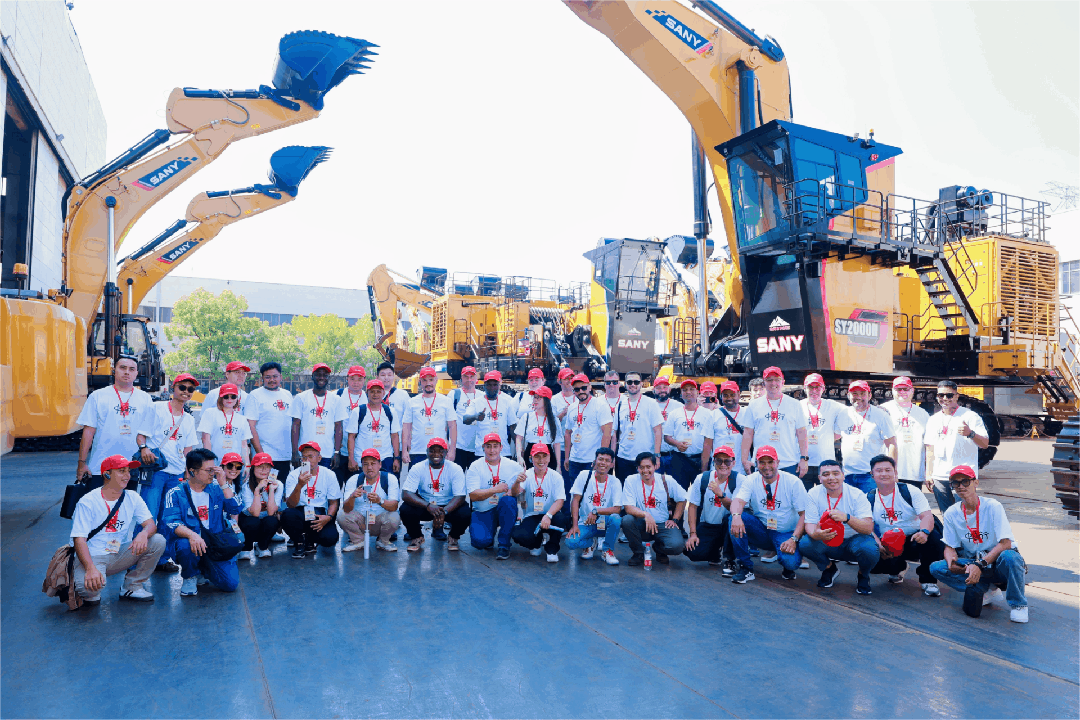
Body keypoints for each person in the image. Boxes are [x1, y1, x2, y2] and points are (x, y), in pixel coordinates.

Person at [930, 465, 1029, 623]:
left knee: (1011, 557)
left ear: (976, 483)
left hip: (997, 560)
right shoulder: (951, 513)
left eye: (965, 481)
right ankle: (987, 589)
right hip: (974, 561)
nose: (961, 486)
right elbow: (949, 546)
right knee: (937, 568)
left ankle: (1019, 605)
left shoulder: (992, 506)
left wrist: (980, 565)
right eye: (956, 483)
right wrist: (951, 562)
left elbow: (1005, 543)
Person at [70, 455, 166, 606]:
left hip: (117, 553)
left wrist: (143, 534)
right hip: (92, 556)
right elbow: (79, 540)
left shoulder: (132, 497)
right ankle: (80, 578)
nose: (127, 476)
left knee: (158, 541)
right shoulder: (88, 501)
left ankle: (132, 586)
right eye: (121, 471)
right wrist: (90, 568)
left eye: (128, 471)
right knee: (91, 591)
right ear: (107, 474)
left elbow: (151, 525)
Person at [136, 372, 197, 572]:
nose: (186, 392)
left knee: (168, 518)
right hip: (157, 471)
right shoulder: (157, 408)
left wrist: (188, 473)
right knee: (148, 515)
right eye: (182, 387)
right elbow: (141, 436)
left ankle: (162, 559)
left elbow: (188, 449)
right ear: (173, 388)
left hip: (176, 474)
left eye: (190, 389)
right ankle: (135, 560)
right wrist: (144, 448)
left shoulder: (189, 419)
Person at [161, 448, 242, 596]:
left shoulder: (218, 487)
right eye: (209, 470)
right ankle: (190, 576)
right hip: (190, 542)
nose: (213, 474)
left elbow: (235, 508)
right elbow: (172, 522)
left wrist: (224, 484)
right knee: (185, 545)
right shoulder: (175, 493)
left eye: (214, 469)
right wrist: (192, 535)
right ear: (192, 471)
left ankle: (204, 569)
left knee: (230, 584)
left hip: (215, 542)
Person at [865, 455, 944, 596]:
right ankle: (899, 567)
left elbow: (927, 516)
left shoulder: (909, 491)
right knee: (872, 559)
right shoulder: (870, 498)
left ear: (895, 472)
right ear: (872, 474)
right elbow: (866, 527)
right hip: (890, 542)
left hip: (915, 538)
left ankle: (928, 580)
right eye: (879, 470)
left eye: (888, 470)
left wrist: (924, 532)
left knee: (933, 538)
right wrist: (878, 544)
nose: (884, 474)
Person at [798, 460, 879, 594]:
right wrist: (815, 534)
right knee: (805, 543)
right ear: (819, 478)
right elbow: (810, 524)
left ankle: (863, 575)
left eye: (836, 473)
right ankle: (829, 568)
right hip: (827, 538)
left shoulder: (857, 494)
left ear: (843, 475)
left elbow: (868, 528)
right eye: (826, 474)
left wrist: (847, 518)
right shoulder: (813, 493)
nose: (831, 477)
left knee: (869, 549)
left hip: (854, 540)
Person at [728, 446, 808, 583]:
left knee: (791, 563)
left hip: (785, 533)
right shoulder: (751, 479)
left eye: (770, 462)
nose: (766, 467)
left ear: (778, 462)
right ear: (756, 464)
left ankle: (786, 562)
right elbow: (738, 501)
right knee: (733, 518)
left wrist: (794, 539)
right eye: (762, 462)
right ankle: (745, 567)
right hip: (762, 530)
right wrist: (736, 516)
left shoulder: (793, 482)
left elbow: (804, 514)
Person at [75, 355, 153, 490]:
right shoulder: (97, 396)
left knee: (126, 503)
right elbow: (88, 432)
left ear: (136, 373)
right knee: (100, 503)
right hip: (101, 467)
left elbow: (148, 432)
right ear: (114, 370)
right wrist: (82, 464)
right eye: (122, 368)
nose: (127, 372)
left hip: (131, 467)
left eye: (131, 369)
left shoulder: (145, 399)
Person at [925, 380, 989, 512]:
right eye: (941, 395)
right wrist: (929, 474)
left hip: (963, 476)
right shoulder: (933, 420)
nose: (945, 398)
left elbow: (984, 444)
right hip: (939, 477)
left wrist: (970, 433)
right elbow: (930, 448)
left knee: (966, 514)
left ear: (956, 396)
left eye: (949, 395)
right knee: (947, 515)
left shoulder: (970, 416)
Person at [400, 438, 470, 551]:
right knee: (405, 509)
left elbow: (460, 496)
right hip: (426, 505)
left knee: (465, 512)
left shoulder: (455, 468)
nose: (436, 454)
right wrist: (428, 506)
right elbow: (406, 493)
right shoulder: (418, 467)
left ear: (446, 452)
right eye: (432, 451)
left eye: (440, 451)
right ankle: (417, 536)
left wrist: (444, 512)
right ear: (426, 452)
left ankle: (453, 537)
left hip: (448, 505)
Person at [741, 367, 809, 479]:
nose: (773, 383)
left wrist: (804, 458)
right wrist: (745, 459)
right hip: (762, 463)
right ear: (764, 383)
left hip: (789, 462)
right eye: (769, 380)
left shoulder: (794, 404)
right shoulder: (754, 405)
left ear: (783, 382)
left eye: (777, 379)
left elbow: (801, 433)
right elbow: (748, 433)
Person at [621, 452, 687, 566]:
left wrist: (675, 519)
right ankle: (638, 553)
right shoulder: (631, 480)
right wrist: (646, 515)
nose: (645, 471)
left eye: (648, 467)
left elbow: (682, 499)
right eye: (641, 467)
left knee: (677, 546)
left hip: (663, 523)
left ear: (655, 466)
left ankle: (659, 549)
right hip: (642, 523)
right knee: (627, 520)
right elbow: (628, 507)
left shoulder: (666, 480)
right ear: (637, 468)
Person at [466, 433, 526, 559]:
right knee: (480, 542)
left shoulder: (512, 466)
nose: (492, 450)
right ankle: (490, 531)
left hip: (503, 509)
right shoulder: (475, 466)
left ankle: (504, 545)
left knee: (509, 501)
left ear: (501, 447)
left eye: (495, 446)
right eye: (488, 446)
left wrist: (515, 487)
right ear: (483, 447)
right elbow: (473, 496)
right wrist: (495, 489)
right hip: (483, 511)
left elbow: (521, 490)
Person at [510, 444, 570, 562]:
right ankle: (536, 543)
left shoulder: (556, 476)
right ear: (531, 458)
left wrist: (548, 515)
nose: (541, 460)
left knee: (562, 520)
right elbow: (515, 493)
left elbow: (560, 501)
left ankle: (552, 549)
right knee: (518, 535)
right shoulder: (526, 474)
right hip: (532, 515)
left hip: (551, 514)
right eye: (537, 457)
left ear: (549, 458)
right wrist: (517, 482)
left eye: (544, 456)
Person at [282, 441, 342, 558]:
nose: (307, 460)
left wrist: (329, 517)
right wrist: (299, 485)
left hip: (319, 512)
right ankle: (299, 542)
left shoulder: (329, 474)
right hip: (299, 511)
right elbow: (290, 504)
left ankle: (309, 540)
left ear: (319, 458)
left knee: (330, 539)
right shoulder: (294, 475)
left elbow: (334, 502)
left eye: (310, 456)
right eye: (304, 457)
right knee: (287, 515)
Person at [564, 447, 623, 565]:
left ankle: (607, 550)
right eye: (600, 459)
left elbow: (617, 509)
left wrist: (596, 511)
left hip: (605, 523)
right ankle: (591, 543)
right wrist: (574, 525)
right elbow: (575, 501)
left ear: (612, 464)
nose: (603, 463)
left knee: (616, 518)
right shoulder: (584, 475)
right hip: (586, 522)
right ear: (595, 461)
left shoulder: (615, 481)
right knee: (570, 542)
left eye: (607, 460)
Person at [685, 445, 739, 572]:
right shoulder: (702, 478)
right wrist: (692, 534)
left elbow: (737, 510)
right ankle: (714, 551)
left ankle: (730, 559)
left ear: (733, 463)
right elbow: (692, 506)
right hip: (709, 525)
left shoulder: (739, 480)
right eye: (719, 461)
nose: (723, 465)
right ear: (714, 462)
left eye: (727, 461)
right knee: (693, 552)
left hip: (729, 526)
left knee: (731, 518)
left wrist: (721, 495)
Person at [838, 380, 896, 492]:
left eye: (862, 393)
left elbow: (892, 444)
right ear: (848, 396)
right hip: (847, 475)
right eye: (855, 393)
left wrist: (891, 472)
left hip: (871, 475)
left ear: (870, 396)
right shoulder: (843, 414)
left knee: (871, 503)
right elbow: (835, 436)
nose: (858, 397)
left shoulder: (881, 415)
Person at [339, 448, 401, 553]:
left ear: (380, 465)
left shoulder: (390, 478)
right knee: (341, 515)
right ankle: (358, 541)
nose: (369, 467)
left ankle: (383, 541)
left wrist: (380, 501)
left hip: (380, 520)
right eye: (365, 464)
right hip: (361, 521)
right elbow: (346, 508)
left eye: (373, 463)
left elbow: (394, 506)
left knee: (394, 516)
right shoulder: (354, 480)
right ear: (361, 466)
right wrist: (352, 497)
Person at [562, 374, 613, 496]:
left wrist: (601, 459)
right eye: (577, 389)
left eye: (583, 388)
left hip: (591, 460)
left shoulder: (600, 405)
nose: (581, 391)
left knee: (592, 494)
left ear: (590, 387)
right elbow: (568, 433)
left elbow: (607, 432)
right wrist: (567, 457)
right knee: (575, 494)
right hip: (575, 460)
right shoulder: (572, 408)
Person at [611, 371, 664, 481]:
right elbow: (615, 433)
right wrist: (613, 456)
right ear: (625, 384)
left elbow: (658, 430)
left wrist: (657, 455)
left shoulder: (651, 404)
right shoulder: (620, 405)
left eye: (636, 382)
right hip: (623, 458)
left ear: (641, 384)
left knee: (645, 489)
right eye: (629, 382)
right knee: (624, 488)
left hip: (645, 458)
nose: (633, 384)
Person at [291, 363, 345, 471]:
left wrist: (336, 452)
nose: (321, 378)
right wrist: (295, 452)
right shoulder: (301, 398)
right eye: (318, 375)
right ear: (312, 376)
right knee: (305, 479)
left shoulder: (336, 400)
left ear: (328, 378)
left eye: (325, 375)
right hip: (305, 454)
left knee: (324, 480)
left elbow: (339, 427)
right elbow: (295, 425)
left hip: (327, 453)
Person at [880, 376, 930, 491]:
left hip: (914, 473)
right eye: (898, 389)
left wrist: (929, 472)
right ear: (892, 391)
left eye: (906, 389)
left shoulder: (922, 414)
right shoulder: (882, 410)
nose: (902, 392)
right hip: (887, 472)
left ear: (912, 390)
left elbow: (929, 445)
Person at [247, 362, 294, 482]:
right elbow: (250, 426)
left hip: (285, 455)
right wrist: (261, 454)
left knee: (280, 489)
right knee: (265, 488)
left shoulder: (287, 394)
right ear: (262, 378)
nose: (272, 380)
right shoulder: (255, 395)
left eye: (275, 376)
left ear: (281, 377)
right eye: (268, 377)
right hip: (266, 456)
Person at [662, 379, 713, 490]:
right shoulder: (674, 413)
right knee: (678, 493)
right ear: (681, 394)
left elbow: (708, 441)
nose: (688, 392)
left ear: (698, 393)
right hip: (680, 459)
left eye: (691, 389)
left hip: (699, 458)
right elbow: (666, 437)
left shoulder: (707, 414)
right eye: (685, 390)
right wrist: (677, 444)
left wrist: (704, 467)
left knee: (699, 493)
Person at [401, 367, 458, 467]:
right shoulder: (412, 402)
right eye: (424, 380)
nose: (428, 383)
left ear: (436, 380)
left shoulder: (446, 401)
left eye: (431, 380)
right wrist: (404, 451)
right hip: (417, 450)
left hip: (439, 451)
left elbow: (452, 426)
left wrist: (452, 450)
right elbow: (406, 427)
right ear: (420, 381)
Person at [347, 379, 402, 477]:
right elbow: (351, 436)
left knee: (386, 484)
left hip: (385, 458)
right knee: (363, 485)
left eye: (378, 391)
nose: (375, 394)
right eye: (372, 391)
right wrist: (351, 459)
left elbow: (394, 436)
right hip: (363, 459)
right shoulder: (358, 411)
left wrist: (397, 458)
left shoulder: (390, 411)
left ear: (383, 393)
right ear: (367, 393)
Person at [799, 373, 844, 491]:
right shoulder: (798, 406)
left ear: (823, 388)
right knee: (805, 497)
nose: (814, 391)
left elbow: (853, 411)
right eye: (811, 387)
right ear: (805, 388)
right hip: (804, 463)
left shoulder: (832, 405)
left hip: (825, 464)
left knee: (826, 496)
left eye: (817, 387)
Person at [237, 453, 282, 563]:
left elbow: (271, 512)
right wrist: (257, 491)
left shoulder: (278, 484)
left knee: (272, 520)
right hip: (249, 518)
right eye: (260, 466)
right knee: (253, 521)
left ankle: (262, 546)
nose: (264, 470)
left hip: (266, 518)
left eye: (267, 467)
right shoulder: (247, 485)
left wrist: (271, 490)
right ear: (253, 468)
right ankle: (247, 547)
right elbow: (255, 513)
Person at [462, 371, 517, 459]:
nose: (492, 388)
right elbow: (465, 419)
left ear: (499, 386)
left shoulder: (507, 402)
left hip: (503, 452)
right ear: (484, 386)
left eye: (495, 385)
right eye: (489, 385)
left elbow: (512, 427)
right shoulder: (476, 402)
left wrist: (518, 449)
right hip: (482, 452)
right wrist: (475, 417)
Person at [198, 383, 251, 463]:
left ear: (237, 398)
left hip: (234, 465)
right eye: (226, 397)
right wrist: (209, 462)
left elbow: (244, 445)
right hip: (215, 462)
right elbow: (206, 440)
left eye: (233, 397)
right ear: (220, 398)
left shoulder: (242, 419)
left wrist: (247, 464)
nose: (229, 400)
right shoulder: (210, 413)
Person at [334, 366, 369, 483]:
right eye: (352, 379)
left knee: (355, 487)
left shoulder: (368, 397)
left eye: (359, 379)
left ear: (364, 380)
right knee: (336, 485)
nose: (356, 383)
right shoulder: (338, 395)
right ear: (347, 379)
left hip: (358, 452)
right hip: (340, 450)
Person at [515, 386, 562, 469]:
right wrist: (519, 457)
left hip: (548, 454)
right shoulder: (527, 417)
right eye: (534, 397)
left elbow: (557, 444)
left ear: (547, 400)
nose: (535, 400)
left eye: (539, 397)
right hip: (530, 453)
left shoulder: (554, 420)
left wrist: (558, 466)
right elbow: (518, 438)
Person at [711, 381, 745, 479]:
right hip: (719, 468)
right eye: (725, 395)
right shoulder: (713, 415)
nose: (729, 398)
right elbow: (708, 443)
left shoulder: (747, 413)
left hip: (741, 469)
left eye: (732, 395)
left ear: (739, 394)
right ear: (721, 396)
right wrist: (705, 470)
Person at [450, 366, 481, 469]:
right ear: (461, 378)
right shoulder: (454, 394)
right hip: (459, 447)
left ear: (476, 378)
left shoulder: (482, 396)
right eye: (466, 377)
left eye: (472, 377)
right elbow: (448, 421)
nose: (469, 380)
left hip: (477, 448)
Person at [651, 376, 682, 476]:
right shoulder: (649, 405)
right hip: (653, 455)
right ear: (653, 390)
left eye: (665, 387)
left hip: (672, 454)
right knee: (655, 483)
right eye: (659, 388)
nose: (662, 390)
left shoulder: (678, 406)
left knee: (673, 483)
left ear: (669, 389)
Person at [377, 362, 411, 430]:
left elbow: (408, 419)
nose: (386, 378)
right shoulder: (372, 396)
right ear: (377, 377)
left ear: (393, 377)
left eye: (389, 375)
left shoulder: (403, 395)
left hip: (397, 435)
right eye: (383, 375)